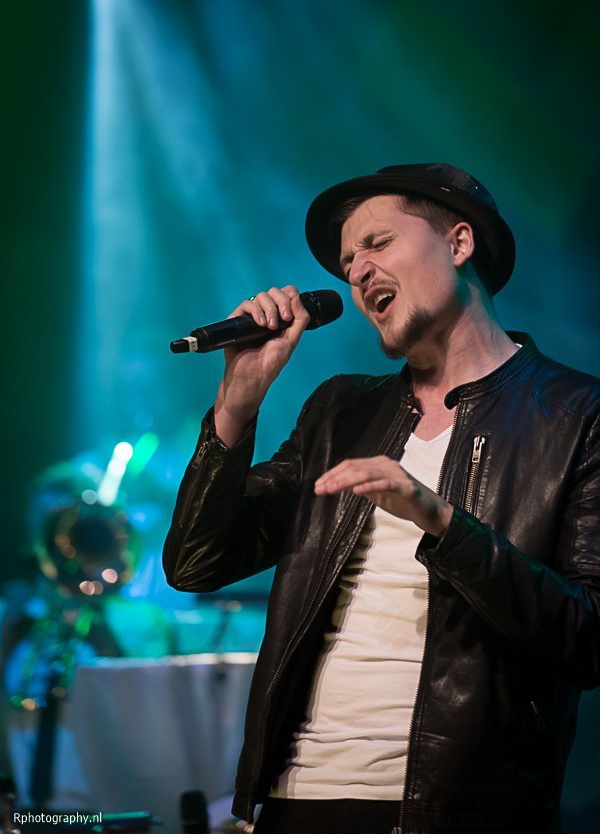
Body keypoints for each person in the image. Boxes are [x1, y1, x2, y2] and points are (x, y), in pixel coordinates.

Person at [163, 164, 600, 834]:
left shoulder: (577, 416)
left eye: (377, 243)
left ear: (459, 243)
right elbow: (197, 564)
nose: (358, 271)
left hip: (459, 808)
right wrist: (236, 406)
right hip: (298, 798)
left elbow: (587, 639)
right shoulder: (341, 412)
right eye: (348, 263)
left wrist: (442, 523)